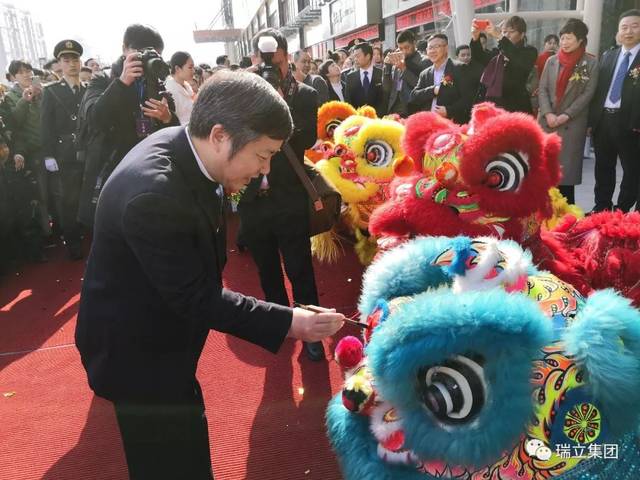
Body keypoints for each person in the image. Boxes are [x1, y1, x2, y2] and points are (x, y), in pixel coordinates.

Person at [75, 70, 345, 480]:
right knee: (170, 464)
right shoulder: (155, 194)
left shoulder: (184, 148)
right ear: (219, 134)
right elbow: (196, 297)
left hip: (163, 336)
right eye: (263, 154)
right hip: (139, 356)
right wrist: (291, 322)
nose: (265, 169)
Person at [239, 28, 326, 362]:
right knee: (267, 271)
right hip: (252, 200)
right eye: (259, 59)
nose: (266, 66)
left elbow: (304, 140)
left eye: (272, 59)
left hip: (288, 197)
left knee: (300, 268)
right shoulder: (245, 95)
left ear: (286, 57)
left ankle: (312, 333)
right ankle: (281, 325)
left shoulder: (303, 94)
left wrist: (279, 105)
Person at [76, 24, 179, 229]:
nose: (147, 59)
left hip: (149, 172)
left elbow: (173, 132)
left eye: (154, 54)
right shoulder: (103, 80)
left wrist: (168, 118)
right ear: (124, 49)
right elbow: (95, 119)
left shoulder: (157, 84)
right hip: (113, 172)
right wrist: (122, 82)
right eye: (141, 53)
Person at [538, 19, 598, 205]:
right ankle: (543, 211)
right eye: (562, 38)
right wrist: (548, 114)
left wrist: (566, 115)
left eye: (569, 38)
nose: (564, 42)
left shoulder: (590, 62)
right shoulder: (552, 60)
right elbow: (542, 89)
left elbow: (588, 94)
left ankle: (566, 214)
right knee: (544, 171)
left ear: (580, 40)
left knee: (566, 174)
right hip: (548, 123)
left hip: (572, 124)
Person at [588, 9, 640, 213]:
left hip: (631, 123)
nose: (629, 31)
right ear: (618, 32)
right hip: (604, 121)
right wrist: (592, 122)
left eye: (635, 26)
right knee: (603, 167)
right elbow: (599, 90)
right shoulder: (609, 55)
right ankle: (601, 206)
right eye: (624, 27)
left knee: (632, 169)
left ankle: (623, 208)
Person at [40, 40, 86, 260]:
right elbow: (45, 126)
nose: (72, 64)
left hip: (88, 150)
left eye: (75, 59)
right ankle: (73, 242)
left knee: (89, 194)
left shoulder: (88, 89)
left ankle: (89, 235)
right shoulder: (51, 92)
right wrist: (48, 155)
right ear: (59, 64)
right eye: (66, 60)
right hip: (65, 153)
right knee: (70, 199)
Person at [471, 15, 538, 113]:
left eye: (511, 32)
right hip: (494, 106)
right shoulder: (498, 53)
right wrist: (475, 37)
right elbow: (479, 57)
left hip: (517, 107)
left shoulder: (529, 52)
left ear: (522, 34)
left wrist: (499, 36)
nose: (507, 35)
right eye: (504, 31)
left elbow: (517, 58)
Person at [409, 34, 473, 124]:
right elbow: (414, 96)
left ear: (446, 48)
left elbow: (468, 98)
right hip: (430, 123)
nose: (432, 51)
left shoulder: (460, 68)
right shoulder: (425, 74)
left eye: (436, 47)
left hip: (453, 123)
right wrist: (433, 90)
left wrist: (449, 110)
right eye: (430, 48)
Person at [383, 29, 431, 117]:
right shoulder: (397, 59)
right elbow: (387, 89)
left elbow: (423, 87)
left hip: (413, 109)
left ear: (414, 44)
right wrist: (387, 67)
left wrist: (404, 69)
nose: (404, 51)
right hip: (394, 108)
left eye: (407, 47)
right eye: (400, 48)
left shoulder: (424, 61)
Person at [344, 42, 385, 115]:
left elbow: (385, 99)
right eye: (354, 57)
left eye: (358, 56)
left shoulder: (381, 74)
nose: (355, 59)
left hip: (378, 121)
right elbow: (348, 103)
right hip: (358, 121)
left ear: (368, 56)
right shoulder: (350, 77)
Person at [165, 51, 196, 125]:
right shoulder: (169, 90)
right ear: (177, 68)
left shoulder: (187, 86)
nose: (193, 71)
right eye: (190, 67)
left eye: (193, 67)